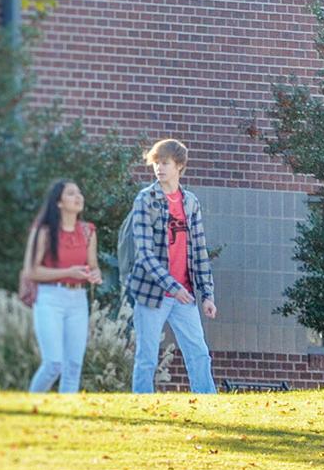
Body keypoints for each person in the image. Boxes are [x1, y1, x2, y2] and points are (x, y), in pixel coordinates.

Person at [123, 138, 216, 393]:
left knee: (199, 353)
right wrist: (173, 287)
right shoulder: (145, 199)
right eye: (156, 163)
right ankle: (142, 405)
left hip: (185, 295)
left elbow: (199, 250)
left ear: (179, 166)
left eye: (165, 163)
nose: (159, 168)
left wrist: (207, 294)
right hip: (152, 293)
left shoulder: (190, 202)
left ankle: (209, 402)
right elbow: (144, 253)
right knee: (147, 357)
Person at [21, 179, 100, 392]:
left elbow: (93, 266)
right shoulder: (44, 232)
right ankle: (32, 405)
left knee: (73, 367)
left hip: (78, 300)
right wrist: (69, 272)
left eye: (79, 192)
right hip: (49, 298)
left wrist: (94, 275)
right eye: (71, 193)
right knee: (53, 364)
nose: (78, 197)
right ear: (58, 202)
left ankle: (66, 411)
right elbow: (31, 271)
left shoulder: (88, 231)